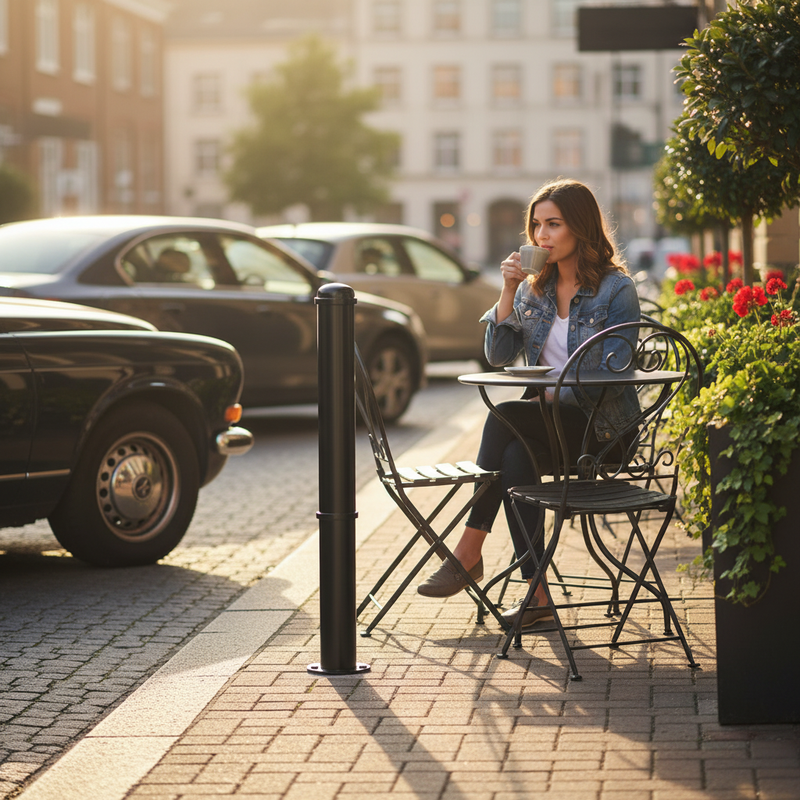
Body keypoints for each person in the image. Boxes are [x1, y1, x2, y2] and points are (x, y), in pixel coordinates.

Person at [417, 178, 641, 629]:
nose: (542, 236)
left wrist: (555, 389)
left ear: (580, 226)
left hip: (602, 433)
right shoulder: (532, 289)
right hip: (548, 428)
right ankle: (537, 596)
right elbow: (498, 355)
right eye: (536, 225)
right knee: (514, 456)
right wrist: (507, 290)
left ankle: (468, 551)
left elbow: (613, 377)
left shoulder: (616, 290)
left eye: (553, 224)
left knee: (504, 416)